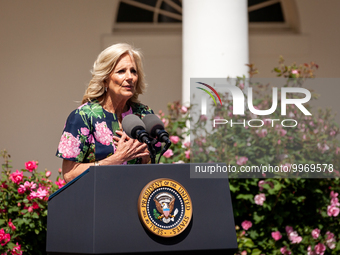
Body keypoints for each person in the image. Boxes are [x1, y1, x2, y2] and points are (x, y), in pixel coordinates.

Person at [56, 43, 155, 183]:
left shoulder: (144, 115)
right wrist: (117, 159)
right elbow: (69, 174)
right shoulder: (83, 117)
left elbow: (153, 166)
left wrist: (146, 158)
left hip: (136, 199)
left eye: (133, 71)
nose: (130, 77)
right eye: (121, 71)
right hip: (97, 200)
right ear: (105, 79)